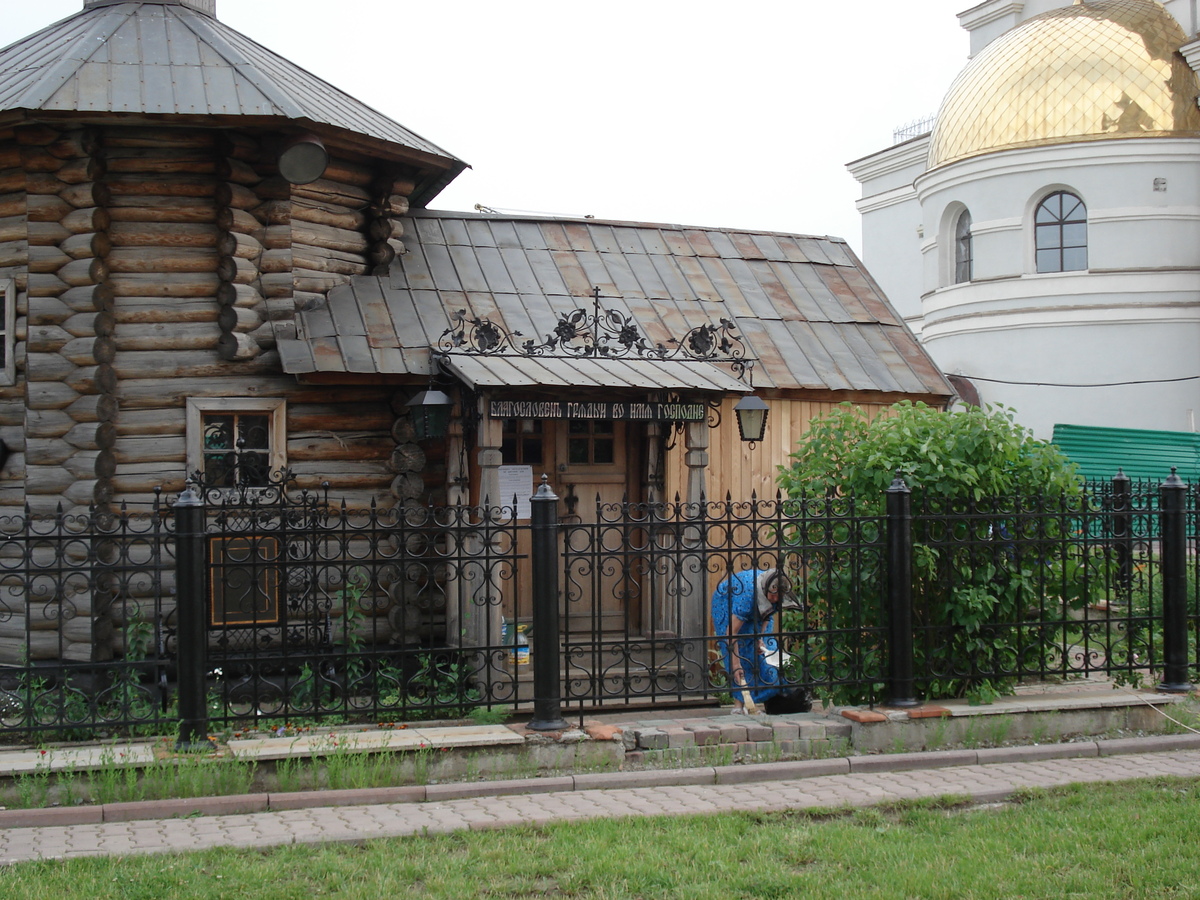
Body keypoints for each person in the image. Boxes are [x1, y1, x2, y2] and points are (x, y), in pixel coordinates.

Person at [711, 567, 811, 714]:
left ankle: (757, 701)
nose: (776, 599)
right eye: (774, 595)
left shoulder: (777, 591)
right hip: (727, 601)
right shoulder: (747, 596)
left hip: (755, 600)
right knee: (741, 652)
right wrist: (736, 664)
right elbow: (731, 633)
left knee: (763, 651)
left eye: (779, 597)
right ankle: (739, 705)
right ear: (766, 590)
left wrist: (760, 638)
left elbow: (767, 614)